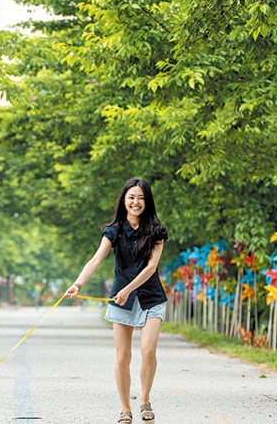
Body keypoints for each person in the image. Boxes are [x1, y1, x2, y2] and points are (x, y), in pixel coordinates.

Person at [64, 177, 168, 423]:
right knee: (123, 357)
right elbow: (96, 260)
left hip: (150, 297)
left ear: (147, 201)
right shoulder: (113, 230)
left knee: (148, 350)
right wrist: (78, 283)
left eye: (141, 198)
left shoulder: (157, 230)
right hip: (121, 300)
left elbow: (152, 267)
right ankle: (125, 409)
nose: (136, 202)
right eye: (131, 197)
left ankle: (144, 400)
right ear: (124, 200)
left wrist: (129, 288)